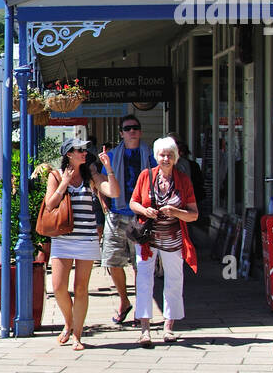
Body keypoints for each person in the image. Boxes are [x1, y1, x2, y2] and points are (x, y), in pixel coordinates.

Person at [43, 138, 118, 350]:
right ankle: (69, 322)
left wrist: (109, 169)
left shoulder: (90, 175)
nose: (84, 153)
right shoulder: (56, 176)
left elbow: (114, 192)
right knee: (57, 287)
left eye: (85, 150)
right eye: (79, 150)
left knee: (81, 288)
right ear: (69, 154)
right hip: (63, 238)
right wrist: (64, 184)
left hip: (86, 238)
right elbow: (50, 204)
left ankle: (77, 334)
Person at [130, 137, 199, 347]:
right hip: (147, 240)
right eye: (162, 155)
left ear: (176, 157)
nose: (166, 159)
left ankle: (169, 327)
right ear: (156, 156)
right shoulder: (145, 176)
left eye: (170, 155)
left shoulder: (183, 180)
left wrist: (176, 211)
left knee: (174, 281)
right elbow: (133, 202)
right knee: (143, 281)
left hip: (173, 238)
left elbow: (194, 214)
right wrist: (145, 210)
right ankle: (145, 329)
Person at [101, 115, 156, 325]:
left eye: (135, 128)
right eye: (128, 128)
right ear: (121, 133)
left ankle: (140, 308)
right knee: (113, 261)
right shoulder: (113, 155)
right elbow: (103, 182)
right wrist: (105, 205)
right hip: (117, 214)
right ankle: (124, 301)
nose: (132, 131)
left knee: (140, 264)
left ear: (140, 131)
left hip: (140, 216)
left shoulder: (149, 155)